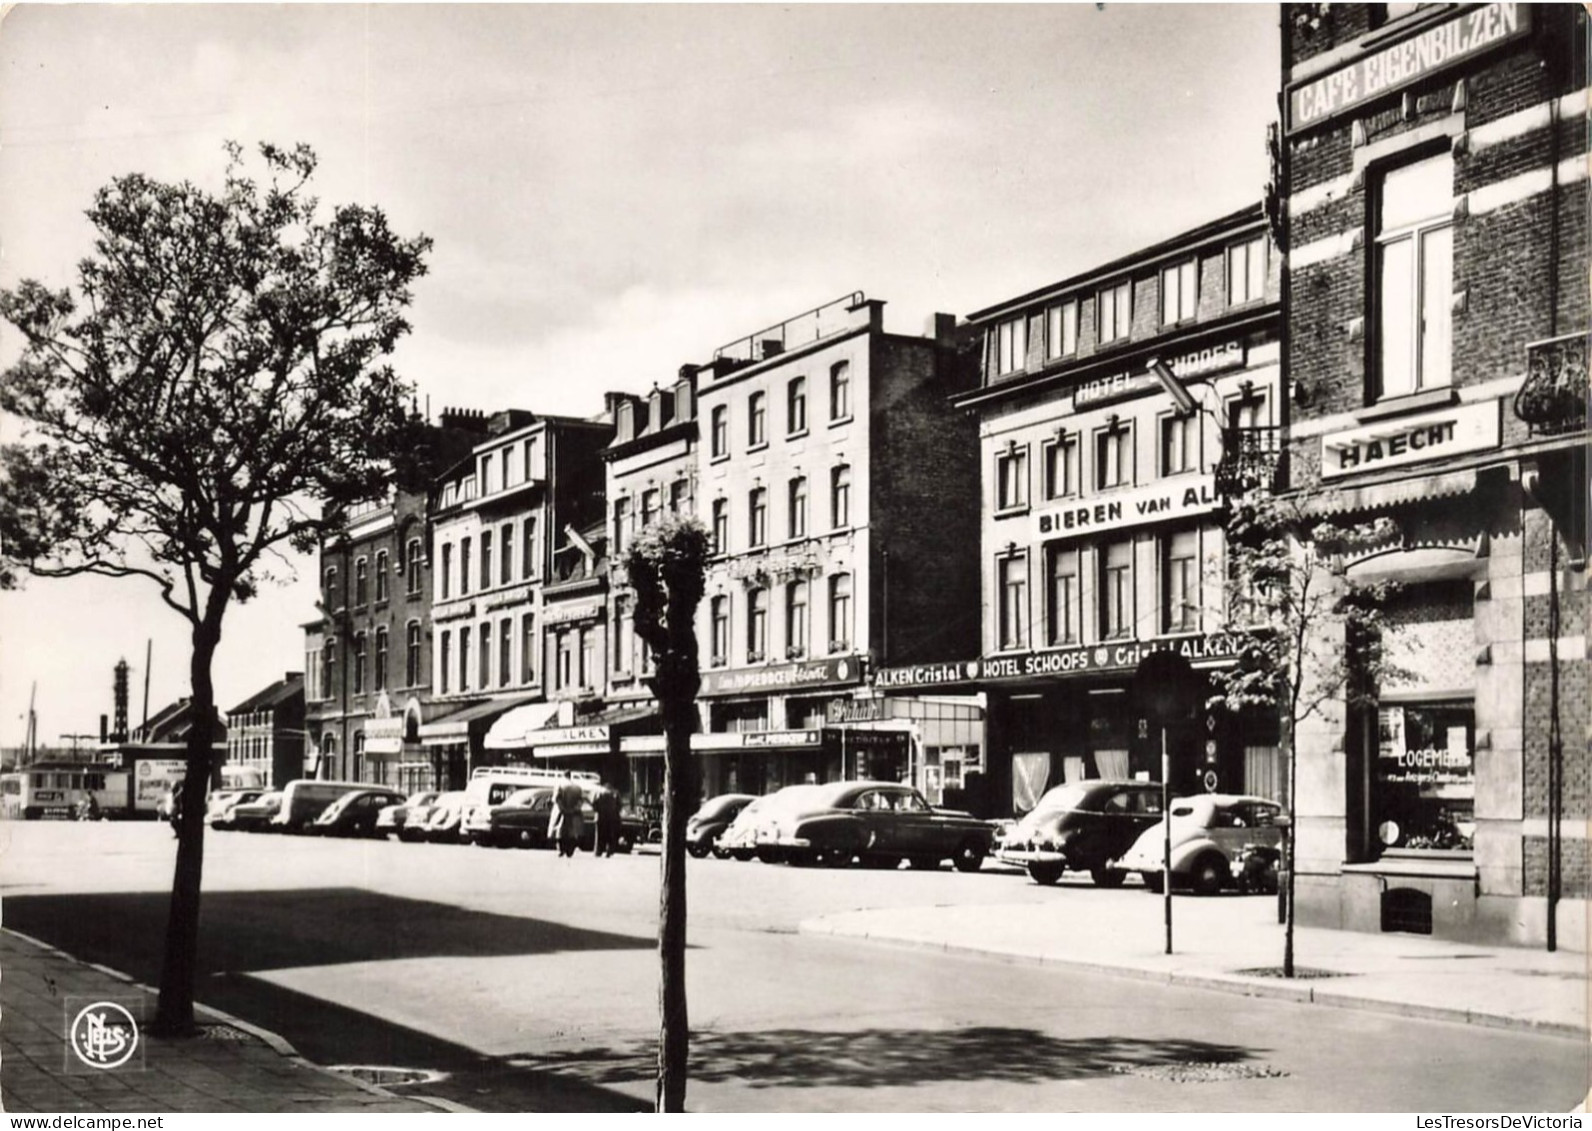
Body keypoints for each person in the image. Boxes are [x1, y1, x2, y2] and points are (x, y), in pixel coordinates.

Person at [552, 779, 585, 858]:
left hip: (563, 813)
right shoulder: (578, 788)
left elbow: (556, 799)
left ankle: (561, 850)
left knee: (561, 832)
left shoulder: (560, 786)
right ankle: (570, 851)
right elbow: (581, 800)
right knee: (572, 833)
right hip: (574, 814)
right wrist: (575, 808)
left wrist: (562, 808)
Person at [592, 785, 621, 857]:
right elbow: (619, 805)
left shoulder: (598, 792)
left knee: (599, 835)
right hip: (612, 817)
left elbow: (594, 804)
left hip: (601, 817)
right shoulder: (615, 793)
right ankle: (609, 850)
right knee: (610, 835)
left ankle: (598, 851)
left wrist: (597, 811)